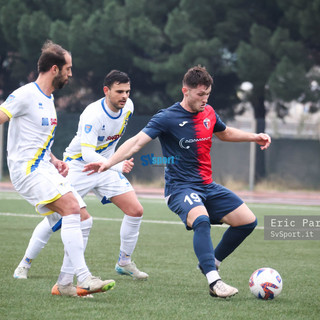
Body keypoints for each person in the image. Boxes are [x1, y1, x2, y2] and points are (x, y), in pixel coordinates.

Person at [84, 66, 272, 298]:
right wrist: (108, 162)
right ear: (185, 91)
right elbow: (136, 142)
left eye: (207, 94)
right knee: (201, 220)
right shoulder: (167, 117)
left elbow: (223, 133)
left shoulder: (209, 113)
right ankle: (214, 281)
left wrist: (255, 137)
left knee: (247, 222)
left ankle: (210, 262)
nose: (204, 99)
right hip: (179, 188)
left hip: (207, 185)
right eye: (200, 95)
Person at [13, 70, 148, 288]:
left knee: (136, 210)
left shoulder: (129, 107)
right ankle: (25, 263)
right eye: (119, 91)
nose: (125, 96)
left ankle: (124, 262)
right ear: (106, 91)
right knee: (57, 220)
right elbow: (87, 155)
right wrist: (117, 164)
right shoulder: (92, 114)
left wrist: (111, 163)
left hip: (106, 166)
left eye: (127, 91)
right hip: (79, 167)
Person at [0, 40, 115, 297]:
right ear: (55, 68)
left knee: (85, 219)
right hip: (26, 170)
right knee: (72, 209)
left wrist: (53, 159)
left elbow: (36, 138)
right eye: (68, 68)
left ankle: (64, 284)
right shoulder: (25, 94)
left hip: (44, 167)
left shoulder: (49, 98)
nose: (71, 74)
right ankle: (84, 277)